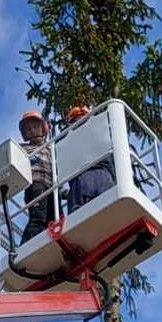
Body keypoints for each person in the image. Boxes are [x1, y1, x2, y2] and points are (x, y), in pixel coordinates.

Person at [62, 103, 115, 213]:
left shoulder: (68, 143)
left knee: (79, 215)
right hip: (103, 178)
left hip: (83, 180)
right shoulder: (102, 134)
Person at [18, 108, 54, 243]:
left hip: (51, 188)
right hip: (36, 186)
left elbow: (55, 172)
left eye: (34, 126)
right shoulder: (23, 149)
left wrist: (62, 192)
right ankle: (25, 247)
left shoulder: (50, 148)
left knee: (55, 219)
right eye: (28, 129)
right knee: (38, 218)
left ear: (43, 127)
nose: (32, 130)